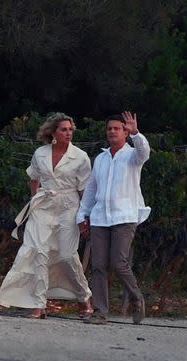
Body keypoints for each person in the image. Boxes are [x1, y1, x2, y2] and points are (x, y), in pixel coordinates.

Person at [0, 112, 93, 318]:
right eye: (64, 129)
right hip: (43, 207)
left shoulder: (81, 157)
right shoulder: (40, 153)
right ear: (53, 132)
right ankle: (38, 303)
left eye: (70, 129)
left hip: (69, 207)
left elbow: (85, 189)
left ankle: (84, 296)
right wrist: (34, 199)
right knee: (38, 252)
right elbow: (33, 178)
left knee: (66, 256)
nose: (68, 133)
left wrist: (84, 216)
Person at [77, 111, 150, 325]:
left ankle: (137, 298)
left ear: (125, 132)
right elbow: (91, 189)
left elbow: (144, 152)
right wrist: (83, 214)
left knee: (118, 262)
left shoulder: (132, 155)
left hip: (124, 216)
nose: (111, 131)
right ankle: (100, 312)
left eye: (116, 128)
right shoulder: (100, 159)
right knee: (98, 265)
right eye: (109, 128)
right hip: (100, 218)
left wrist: (137, 133)